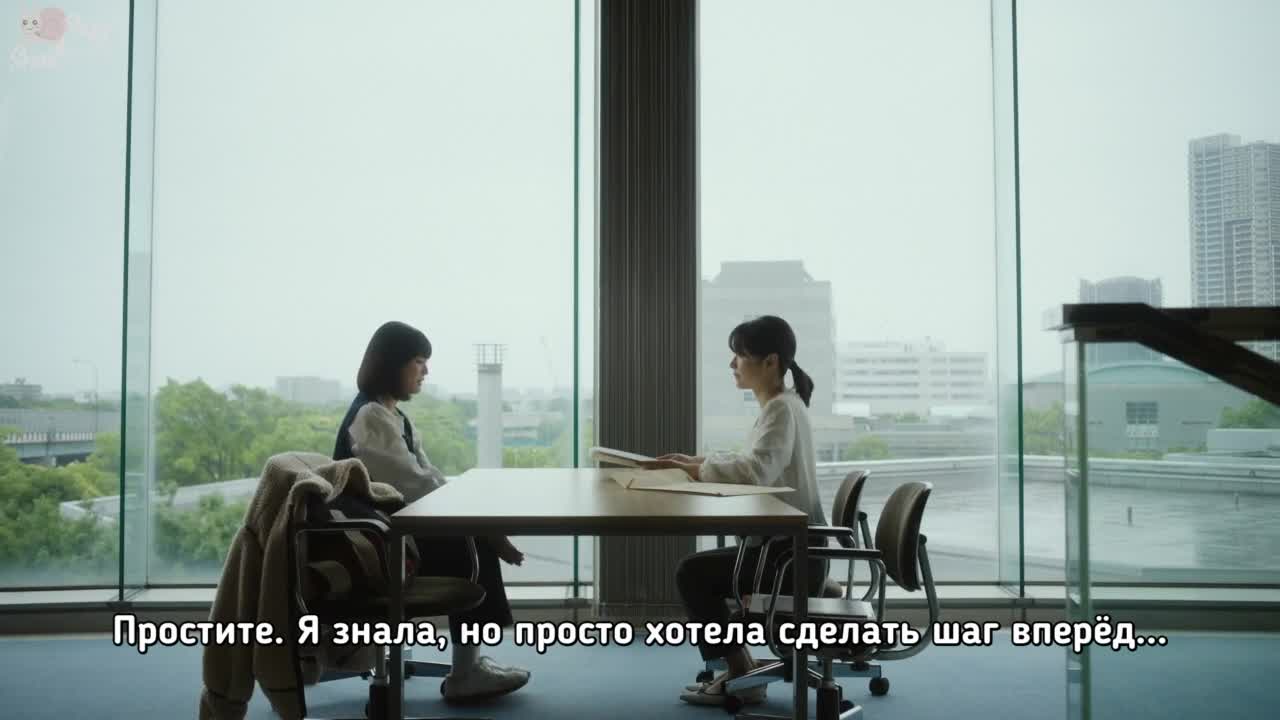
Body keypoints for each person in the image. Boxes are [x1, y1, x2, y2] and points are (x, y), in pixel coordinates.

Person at [333, 320, 530, 702]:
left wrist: (477, 516)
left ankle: (470, 664)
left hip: (388, 534)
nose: (425, 371)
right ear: (393, 364)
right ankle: (466, 672)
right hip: (379, 544)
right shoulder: (371, 417)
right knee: (472, 546)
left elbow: (427, 476)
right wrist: (486, 530)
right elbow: (414, 486)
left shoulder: (391, 415)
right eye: (419, 361)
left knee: (474, 538)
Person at [640, 315, 829, 707]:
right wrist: (694, 461)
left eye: (739, 355)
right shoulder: (783, 406)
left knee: (692, 574)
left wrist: (694, 470)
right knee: (699, 571)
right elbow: (755, 461)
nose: (732, 364)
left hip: (789, 559)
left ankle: (742, 673)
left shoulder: (781, 409)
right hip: (793, 551)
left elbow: (756, 471)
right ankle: (742, 668)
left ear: (770, 361)